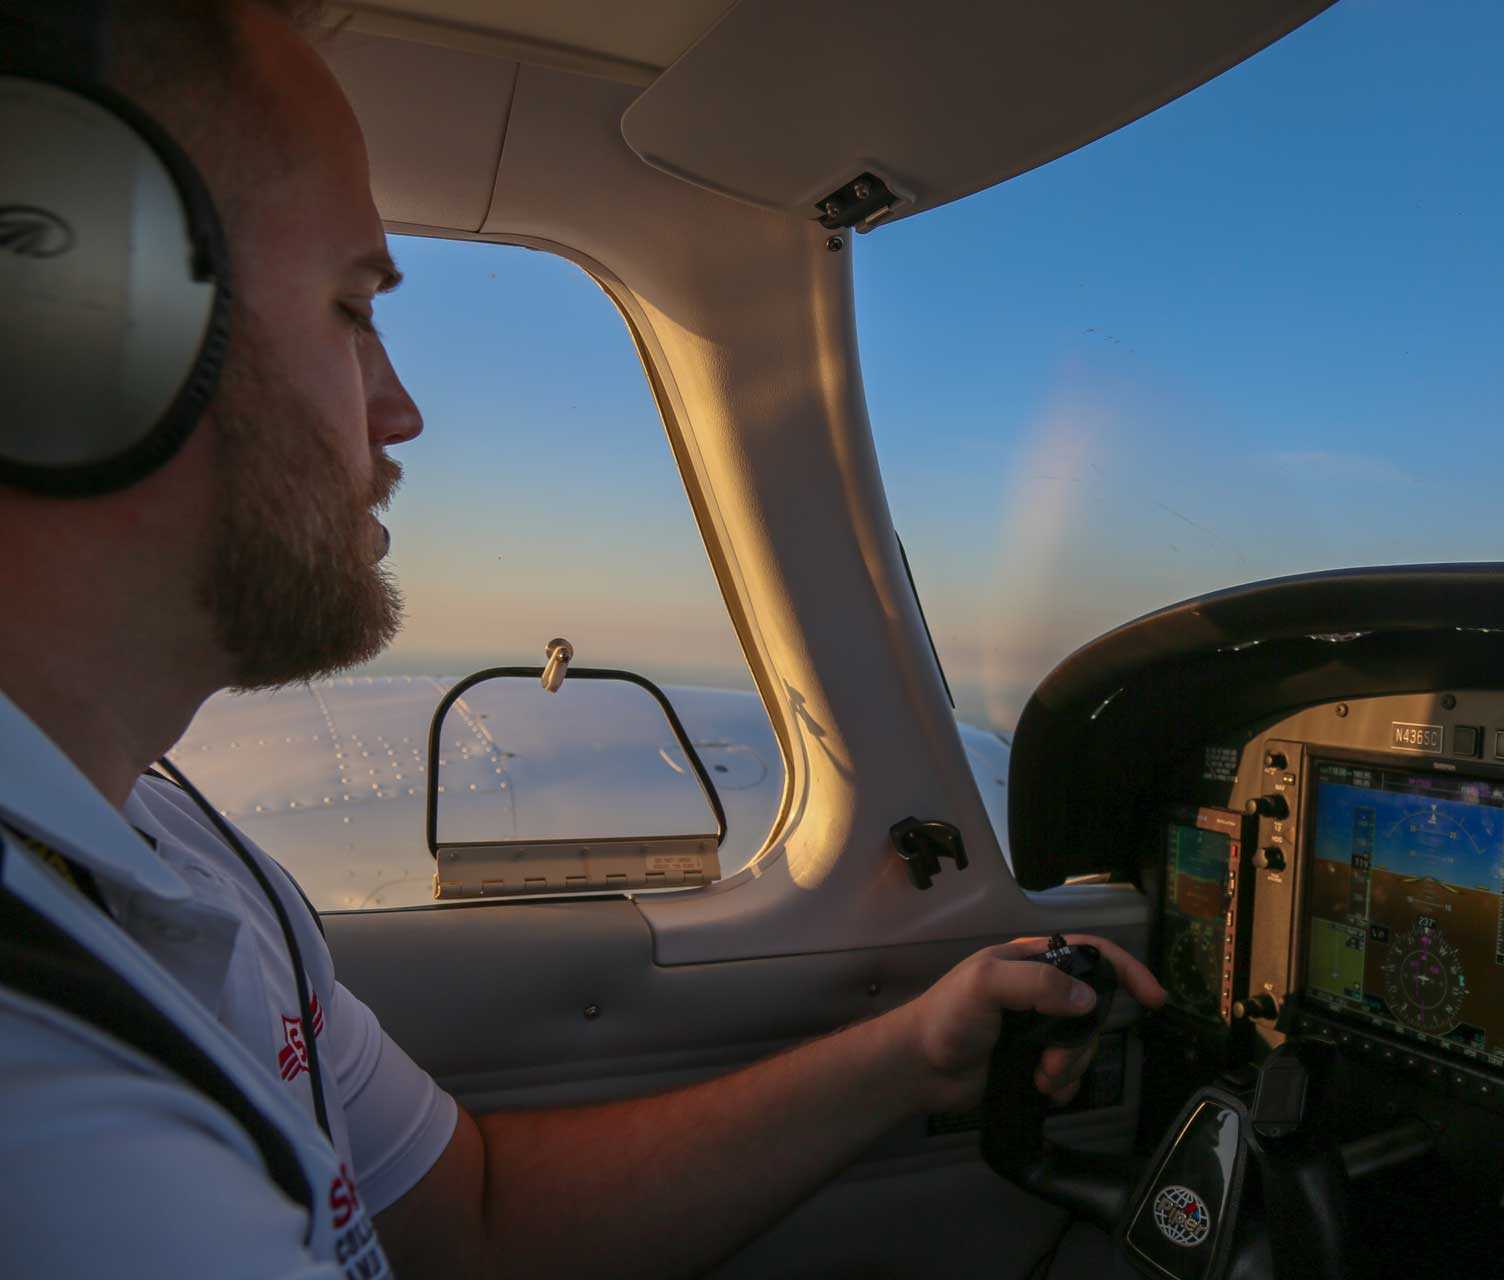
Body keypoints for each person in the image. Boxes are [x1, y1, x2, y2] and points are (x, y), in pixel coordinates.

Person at [0, 1, 1166, 1275]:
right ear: (72, 318)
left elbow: (477, 1222)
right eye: (351, 306)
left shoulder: (168, 850)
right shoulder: (63, 1136)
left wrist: (912, 1050)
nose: (400, 411)